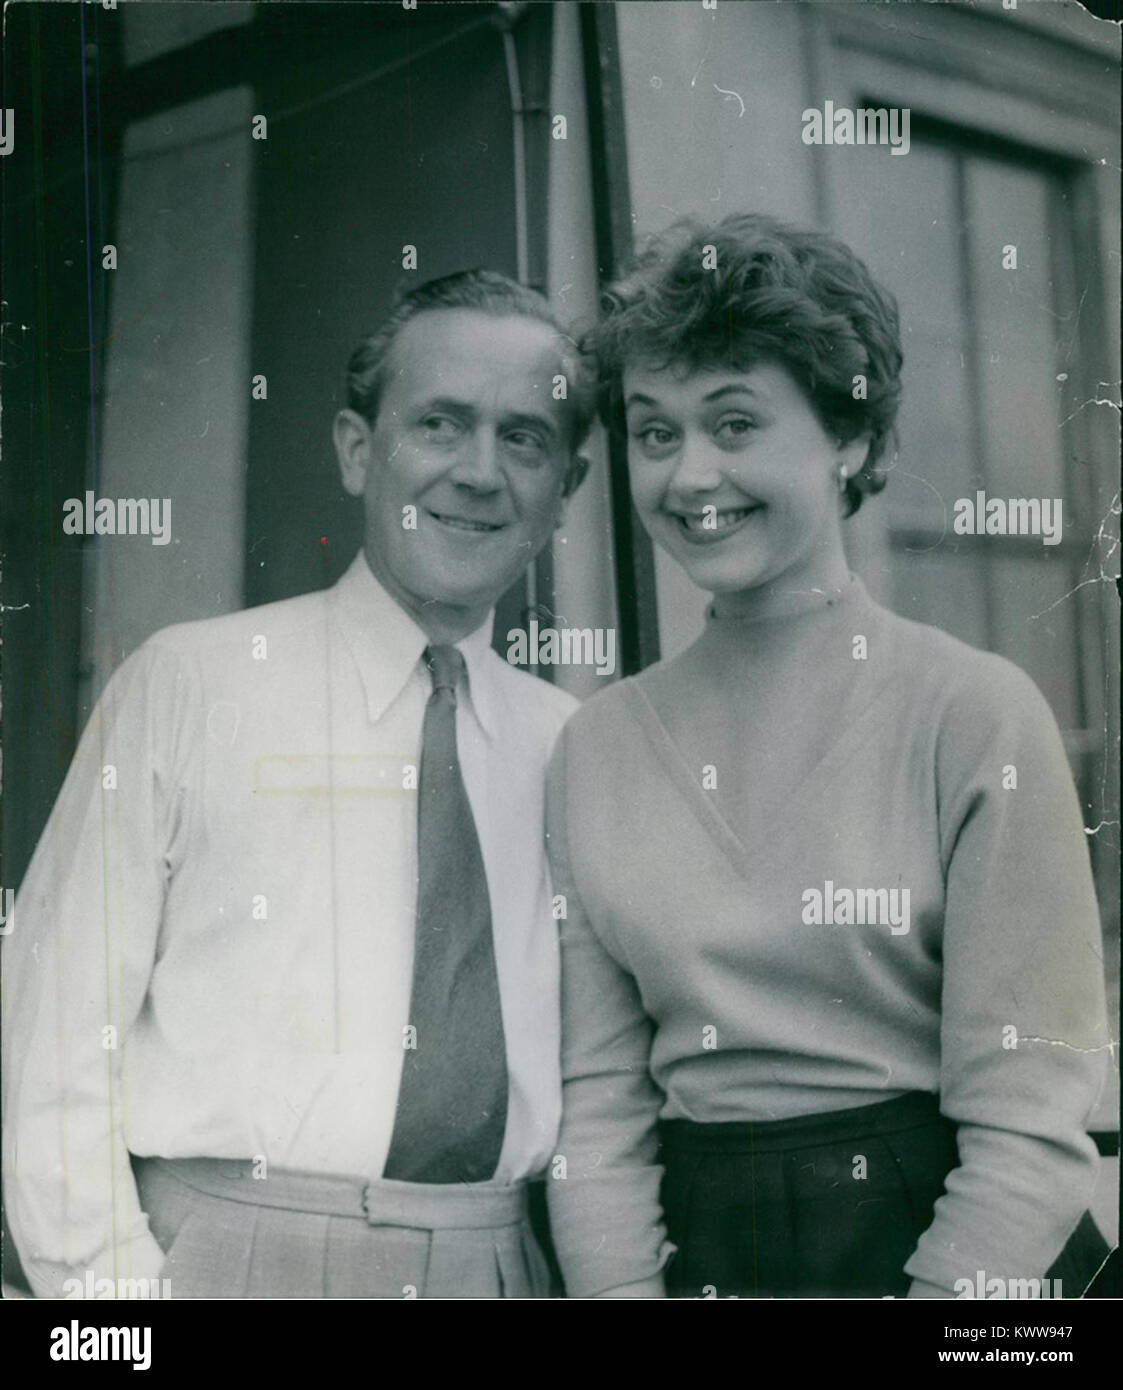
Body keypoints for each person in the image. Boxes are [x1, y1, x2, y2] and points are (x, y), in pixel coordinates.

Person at [545, 214, 1111, 1299]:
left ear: (849, 439)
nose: (690, 472)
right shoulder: (596, 748)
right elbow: (599, 1108)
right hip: (700, 1254)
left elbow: (1030, 1122)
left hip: (952, 1250)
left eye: (736, 422)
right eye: (654, 432)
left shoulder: (972, 713)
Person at [3, 269, 592, 1299]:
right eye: (440, 424)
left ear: (564, 489)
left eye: (524, 438)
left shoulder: (574, 746)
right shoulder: (191, 683)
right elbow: (52, 1044)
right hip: (224, 1262)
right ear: (358, 449)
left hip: (496, 1263)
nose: (480, 472)